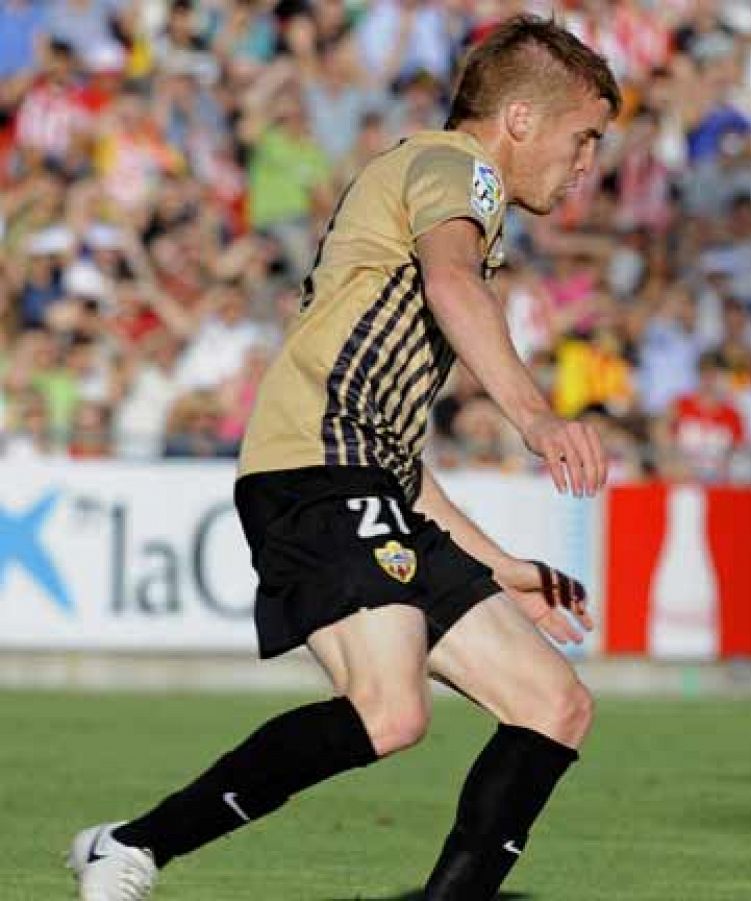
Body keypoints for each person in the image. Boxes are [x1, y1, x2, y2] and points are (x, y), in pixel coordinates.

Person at [67, 16, 618, 901]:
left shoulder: (431, 188)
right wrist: (536, 417)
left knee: (554, 703)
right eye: (583, 136)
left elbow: (392, 455)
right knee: (391, 709)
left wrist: (498, 564)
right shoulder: (457, 172)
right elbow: (452, 285)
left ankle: (134, 842)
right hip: (314, 474)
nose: (589, 160)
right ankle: (136, 847)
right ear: (519, 120)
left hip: (358, 476)